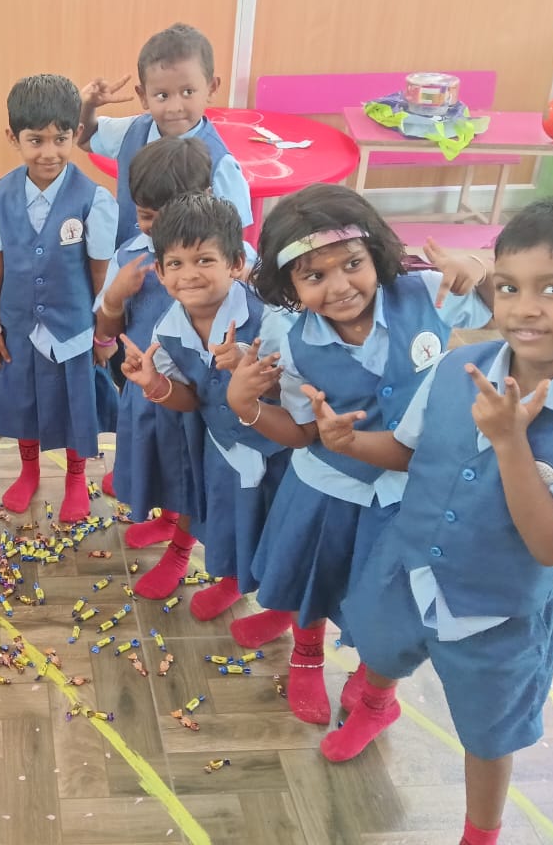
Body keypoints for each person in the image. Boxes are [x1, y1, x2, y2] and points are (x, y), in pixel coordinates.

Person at [315, 197, 553, 845]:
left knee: (488, 734)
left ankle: (480, 833)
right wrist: (349, 442)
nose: (525, 307)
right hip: (406, 570)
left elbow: (550, 545)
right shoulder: (454, 370)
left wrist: (510, 442)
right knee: (381, 648)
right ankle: (376, 704)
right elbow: (409, 452)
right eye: (510, 286)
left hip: (495, 617)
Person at [227, 184, 492, 724]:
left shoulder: (428, 291)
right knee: (312, 575)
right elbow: (300, 432)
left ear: (375, 254)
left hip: (415, 492)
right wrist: (244, 405)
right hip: (327, 487)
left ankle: (375, 686)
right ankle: (305, 656)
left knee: (392, 597)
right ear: (289, 285)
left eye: (353, 264)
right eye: (314, 276)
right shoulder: (288, 339)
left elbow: (504, 299)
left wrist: (479, 266)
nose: (341, 286)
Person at [121, 191, 292, 621]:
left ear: (236, 263)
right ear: (160, 272)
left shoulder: (268, 320)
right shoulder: (168, 328)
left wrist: (250, 371)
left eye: (204, 260)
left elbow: (294, 394)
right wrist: (155, 384)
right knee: (224, 515)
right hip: (220, 445)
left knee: (275, 526)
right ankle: (231, 577)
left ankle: (278, 602)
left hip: (276, 450)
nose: (189, 275)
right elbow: (190, 397)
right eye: (176, 263)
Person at [0, 73, 118, 522]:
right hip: (18, 327)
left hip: (73, 328)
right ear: (13, 138)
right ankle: (29, 471)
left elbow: (100, 272)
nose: (49, 152)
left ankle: (76, 479)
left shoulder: (94, 199)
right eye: (35, 140)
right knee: (24, 403)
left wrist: (103, 333)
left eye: (60, 139)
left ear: (76, 134)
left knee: (75, 407)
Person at [93, 137, 210, 597]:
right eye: (146, 216)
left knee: (191, 477)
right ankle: (165, 518)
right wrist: (115, 296)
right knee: (158, 465)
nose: (158, 230)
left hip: (197, 401)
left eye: (171, 215)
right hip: (144, 393)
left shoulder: (219, 260)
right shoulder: (130, 257)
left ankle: (181, 549)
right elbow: (108, 327)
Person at [79, 23, 250, 247]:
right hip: (126, 262)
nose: (174, 107)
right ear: (143, 96)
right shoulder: (131, 131)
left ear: (211, 88)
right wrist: (87, 106)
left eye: (188, 92)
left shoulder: (220, 164)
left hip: (185, 268)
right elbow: (84, 138)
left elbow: (234, 238)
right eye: (162, 95)